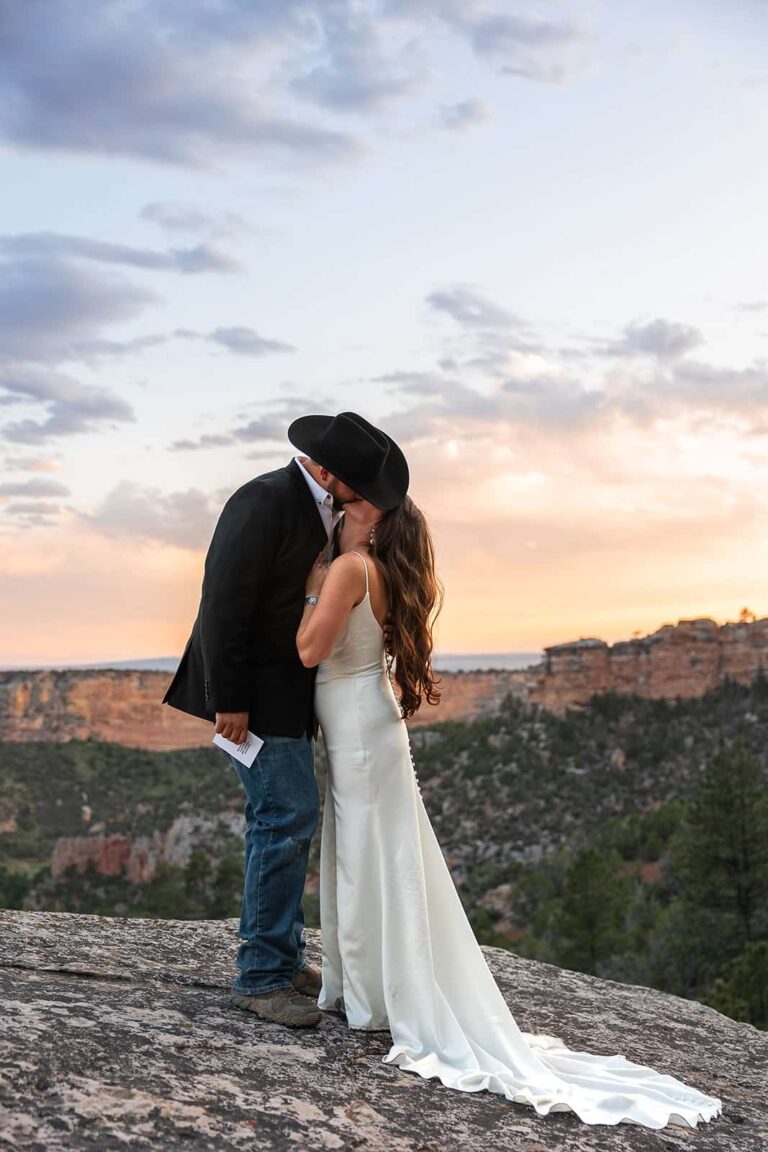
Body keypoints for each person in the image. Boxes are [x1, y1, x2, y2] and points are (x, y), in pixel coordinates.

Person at [292, 412, 722, 1130]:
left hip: (358, 729)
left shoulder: (347, 570)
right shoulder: (389, 571)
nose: (335, 511)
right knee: (381, 850)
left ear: (365, 514)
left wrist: (309, 582)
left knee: (364, 853)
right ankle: (374, 988)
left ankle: (372, 997)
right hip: (370, 720)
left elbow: (308, 650)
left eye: (344, 504)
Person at [162, 411, 401, 1027]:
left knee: (288, 817)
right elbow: (221, 601)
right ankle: (261, 977)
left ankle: (283, 955)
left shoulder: (325, 512)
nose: (369, 495)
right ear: (329, 471)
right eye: (361, 482)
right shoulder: (264, 498)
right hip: (253, 700)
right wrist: (229, 699)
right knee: (285, 814)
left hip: (289, 699)